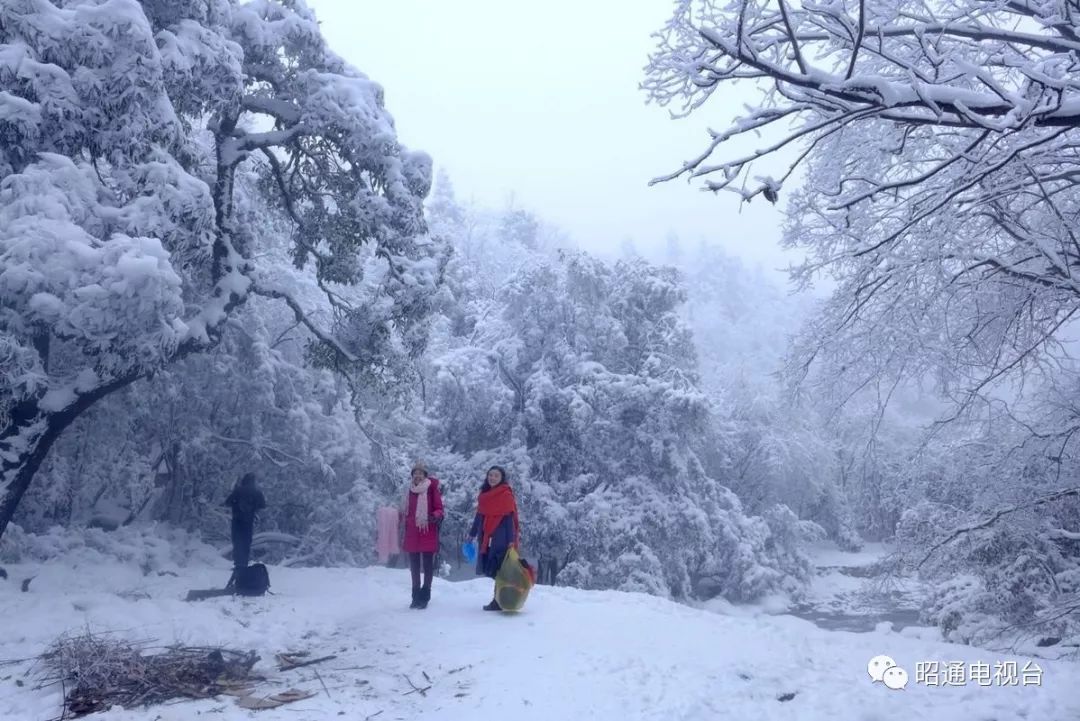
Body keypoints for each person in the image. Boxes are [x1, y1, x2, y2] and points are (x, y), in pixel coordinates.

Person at [466, 466, 519, 611]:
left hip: (501, 537)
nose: (493, 478)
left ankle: (498, 601)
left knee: (500, 569)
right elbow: (479, 515)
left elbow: (509, 519)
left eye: (496, 475)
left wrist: (511, 541)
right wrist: (472, 534)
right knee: (494, 569)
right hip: (486, 537)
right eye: (490, 475)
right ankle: (500, 599)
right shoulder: (484, 494)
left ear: (502, 478)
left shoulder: (505, 494)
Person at [401, 461, 444, 609]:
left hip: (427, 529)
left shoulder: (431, 489)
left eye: (421, 473)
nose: (417, 475)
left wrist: (434, 515)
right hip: (412, 531)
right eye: (415, 473)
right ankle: (415, 596)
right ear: (412, 475)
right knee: (414, 565)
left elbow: (439, 508)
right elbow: (406, 510)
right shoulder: (409, 490)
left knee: (427, 565)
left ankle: (425, 596)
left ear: (425, 476)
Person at [224, 473, 266, 570]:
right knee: (246, 542)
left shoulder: (238, 490)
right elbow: (263, 505)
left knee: (237, 542)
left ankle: (238, 564)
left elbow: (227, 502)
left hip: (237, 521)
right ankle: (244, 564)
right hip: (248, 522)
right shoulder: (256, 492)